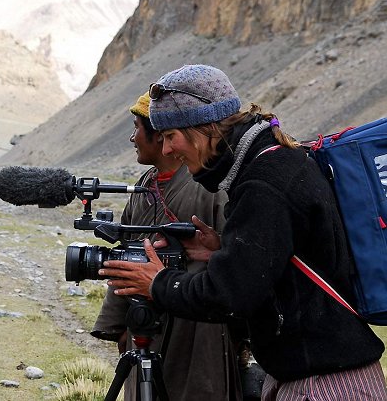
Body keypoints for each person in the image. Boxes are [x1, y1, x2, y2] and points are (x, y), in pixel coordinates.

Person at [99, 64, 387, 400]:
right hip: (318, 376)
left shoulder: (264, 183)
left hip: (322, 386)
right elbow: (283, 259)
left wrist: (157, 283)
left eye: (170, 136)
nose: (166, 151)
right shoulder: (271, 163)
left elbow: (228, 295)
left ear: (203, 127)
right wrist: (223, 249)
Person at [91, 91, 243, 400]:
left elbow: (237, 262)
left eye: (137, 127)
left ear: (161, 133)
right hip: (144, 323)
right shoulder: (144, 186)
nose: (132, 138)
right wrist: (119, 324)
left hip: (199, 330)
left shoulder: (211, 186)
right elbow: (127, 256)